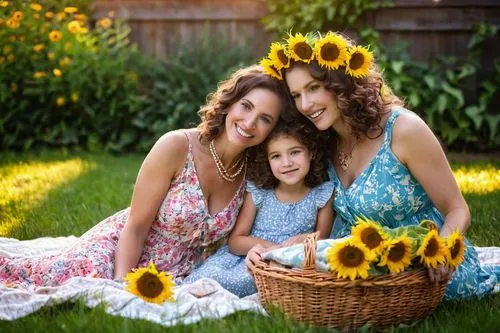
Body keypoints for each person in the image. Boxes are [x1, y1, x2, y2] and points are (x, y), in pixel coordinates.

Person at [255, 31, 499, 301]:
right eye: (296, 95)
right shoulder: (323, 140)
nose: (305, 104)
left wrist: (440, 251)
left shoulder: (403, 130)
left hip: (421, 263)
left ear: (340, 82)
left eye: (313, 88)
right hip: (359, 264)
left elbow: (457, 208)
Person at [0, 65, 288, 289]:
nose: (250, 123)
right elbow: (135, 227)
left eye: (265, 119)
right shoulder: (176, 147)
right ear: (230, 102)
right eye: (246, 106)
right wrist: (122, 284)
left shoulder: (253, 172)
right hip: (121, 255)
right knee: (37, 278)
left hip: (182, 275)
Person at [183, 118, 334, 297]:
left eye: (295, 152)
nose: (286, 163)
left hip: (293, 260)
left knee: (274, 282)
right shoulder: (260, 192)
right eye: (276, 156)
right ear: (268, 161)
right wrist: (274, 249)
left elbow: (323, 238)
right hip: (250, 256)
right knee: (213, 277)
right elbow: (236, 241)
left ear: (311, 153)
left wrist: (293, 249)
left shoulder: (321, 194)